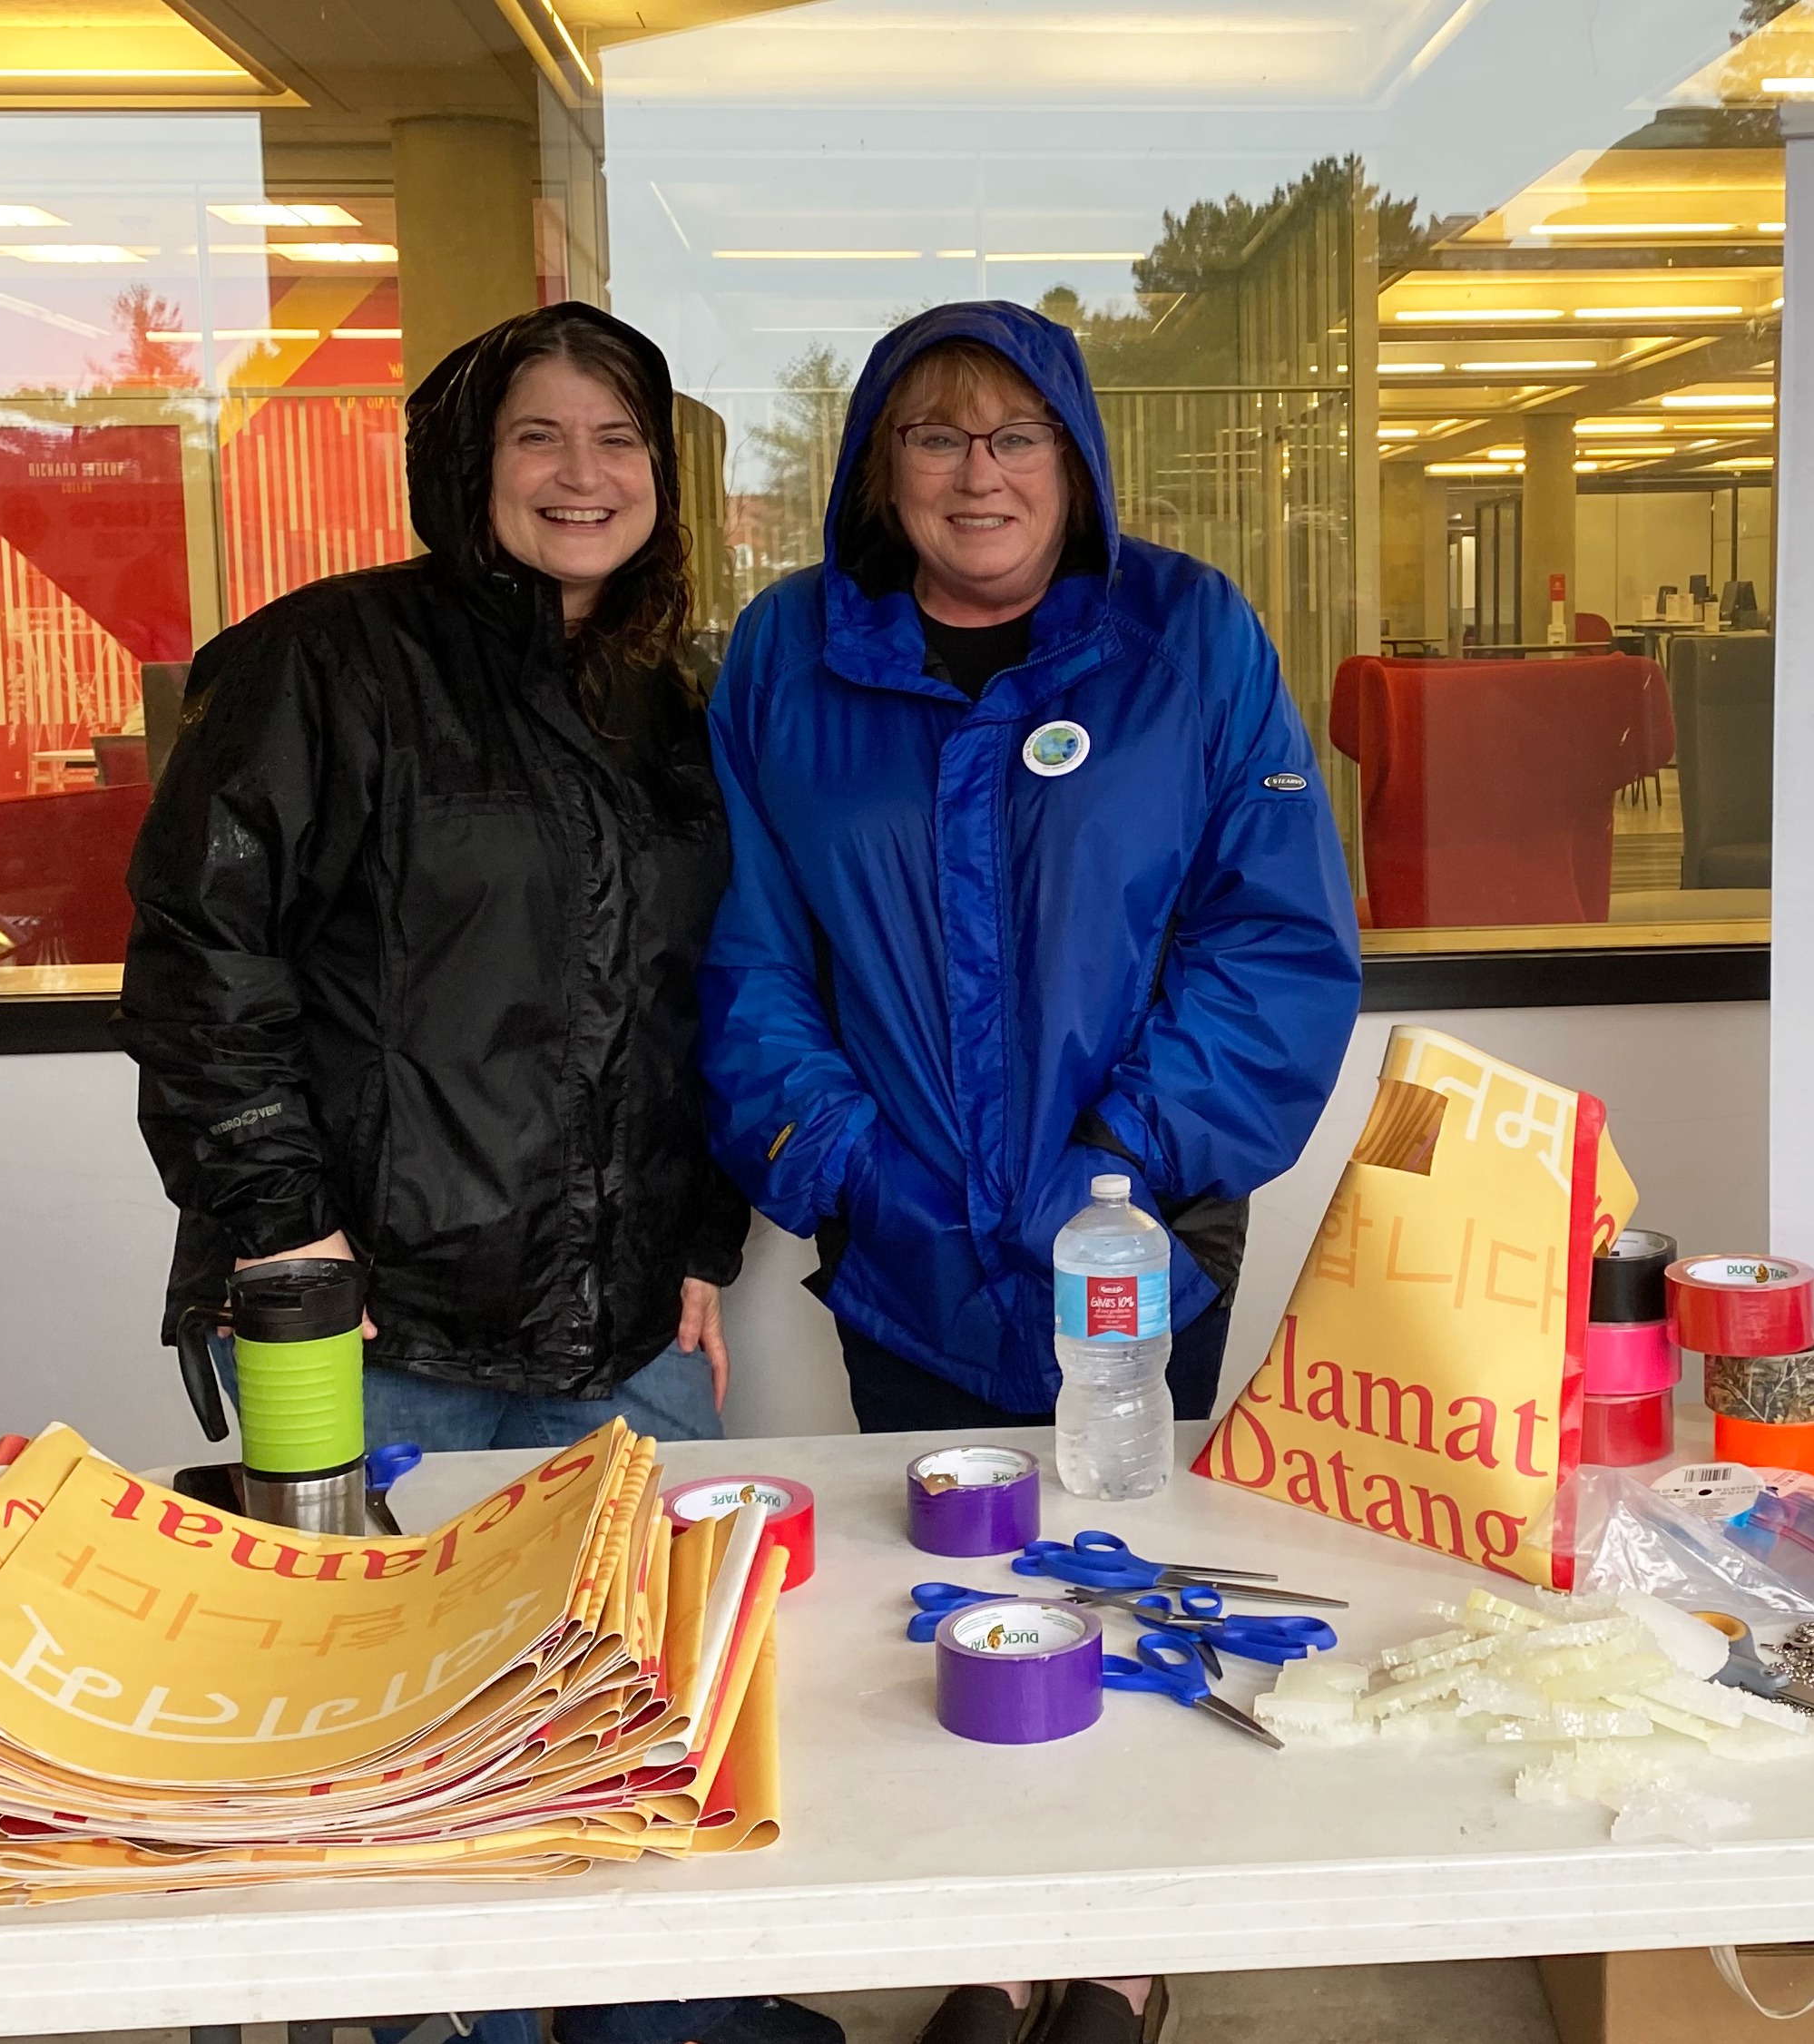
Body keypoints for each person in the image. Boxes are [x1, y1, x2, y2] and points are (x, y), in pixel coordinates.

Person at [116, 300, 840, 2044]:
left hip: (624, 1323)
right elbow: (201, 957)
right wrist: (284, 1225)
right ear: (467, 462)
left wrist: (695, 1234)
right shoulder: (325, 665)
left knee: (639, 1720)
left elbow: (691, 995)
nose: (582, 475)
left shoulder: (668, 705)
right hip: (384, 1326)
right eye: (540, 435)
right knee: (422, 1767)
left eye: (617, 441)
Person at [696, 302, 1363, 2043]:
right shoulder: (790, 656)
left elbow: (1272, 944)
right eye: (934, 436)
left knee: (1136, 1560)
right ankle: (1003, 1940)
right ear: (877, 471)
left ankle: (1125, 1946)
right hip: (902, 1241)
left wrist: (1125, 1155)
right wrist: (844, 1165)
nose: (976, 472)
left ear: (1074, 464)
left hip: (1140, 1238)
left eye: (1014, 437)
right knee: (957, 1587)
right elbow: (747, 957)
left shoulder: (1188, 638)